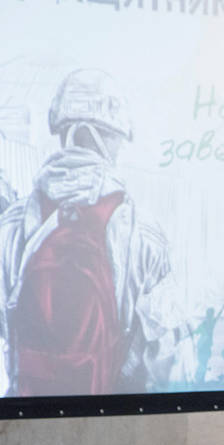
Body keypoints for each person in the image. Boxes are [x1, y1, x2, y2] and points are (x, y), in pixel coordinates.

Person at [0, 68, 190, 396]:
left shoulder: (11, 227)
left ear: (59, 128)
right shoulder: (142, 231)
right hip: (121, 418)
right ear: (111, 135)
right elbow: (170, 362)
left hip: (25, 417)